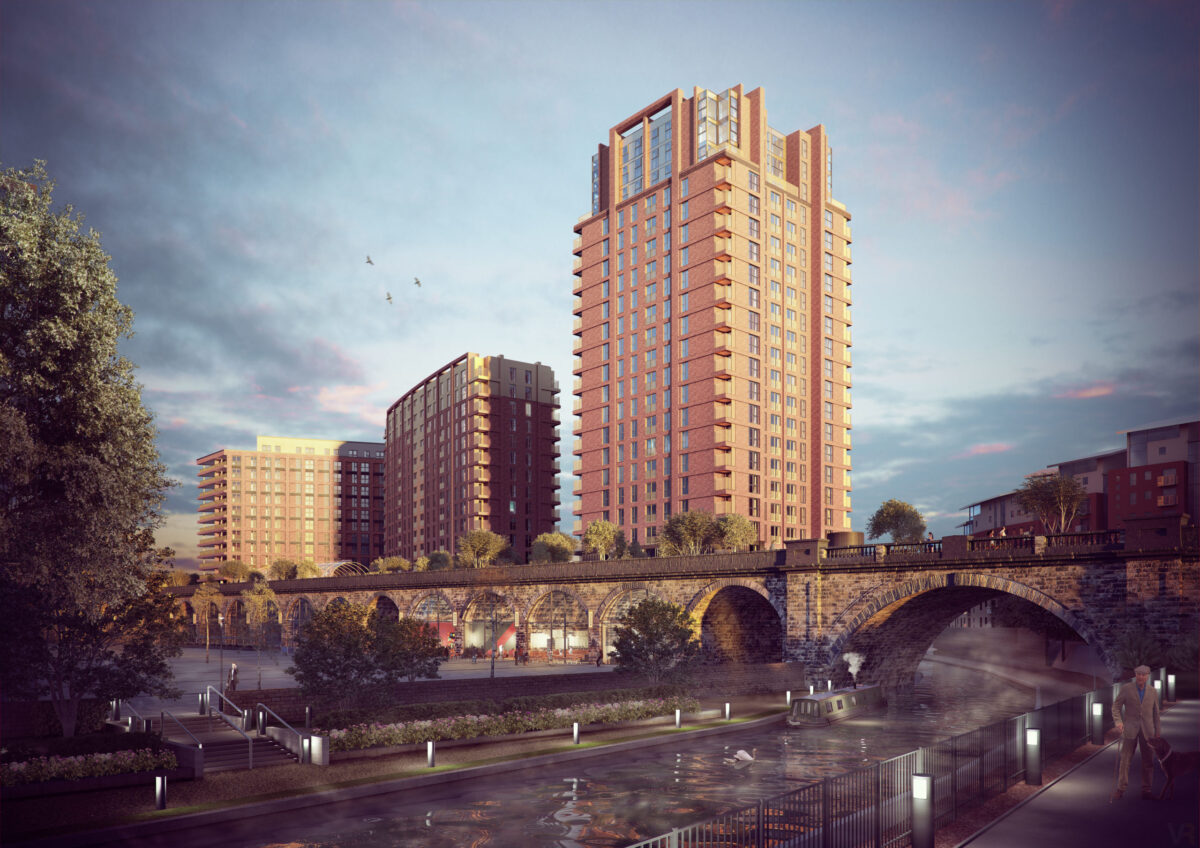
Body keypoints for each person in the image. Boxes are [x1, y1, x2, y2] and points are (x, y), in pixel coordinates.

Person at [1111, 664, 1161, 801]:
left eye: (1143, 674)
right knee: (1125, 760)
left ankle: (1147, 790)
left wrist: (1158, 731)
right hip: (1129, 729)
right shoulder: (1126, 689)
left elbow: (1156, 713)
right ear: (1135, 675)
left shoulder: (1152, 691)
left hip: (1148, 731)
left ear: (1147, 676)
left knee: (1148, 761)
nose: (1140, 677)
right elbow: (1115, 707)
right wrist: (1119, 722)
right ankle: (1120, 789)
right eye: (1138, 674)